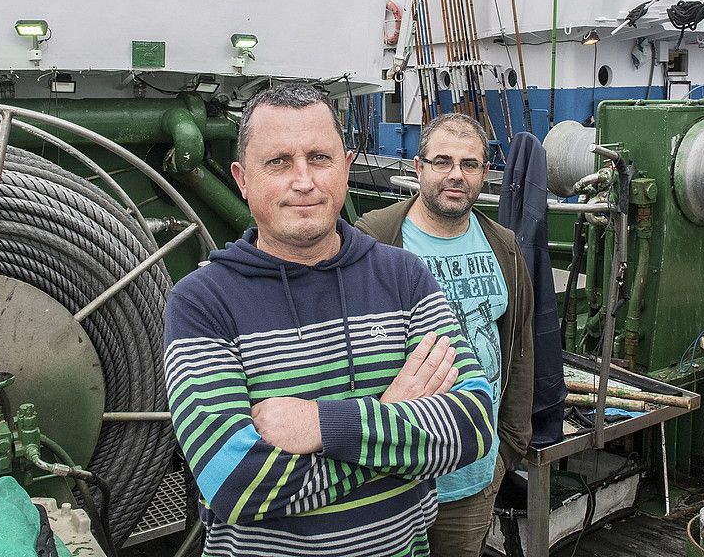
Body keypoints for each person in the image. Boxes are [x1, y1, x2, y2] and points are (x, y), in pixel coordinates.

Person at [163, 83, 495, 557]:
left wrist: (323, 425)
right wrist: (392, 414)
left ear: (346, 165)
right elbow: (235, 483)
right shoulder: (202, 303)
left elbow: (473, 425)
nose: (303, 180)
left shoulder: (404, 277)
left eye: (319, 158)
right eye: (278, 162)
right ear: (242, 178)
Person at [357, 112, 534, 557]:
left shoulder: (504, 247)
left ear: (484, 173)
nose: (456, 174)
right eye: (442, 161)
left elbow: (521, 347)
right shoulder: (376, 240)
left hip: (474, 472)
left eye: (469, 164)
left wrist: (508, 447)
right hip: (395, 472)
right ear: (418, 169)